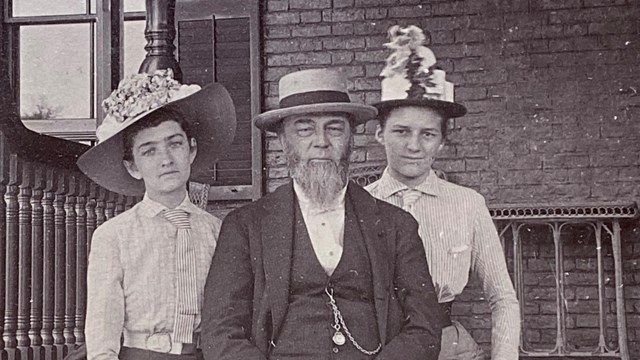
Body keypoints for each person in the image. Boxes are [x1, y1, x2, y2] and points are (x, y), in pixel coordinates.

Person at [200, 68, 448, 360]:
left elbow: (425, 326)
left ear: (351, 138)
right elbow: (220, 331)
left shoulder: (397, 225)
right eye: (305, 129)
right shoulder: (245, 226)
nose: (321, 141)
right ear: (283, 141)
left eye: (334, 128)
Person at [365, 25, 520, 360]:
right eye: (401, 131)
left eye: (428, 135)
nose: (413, 146)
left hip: (448, 348)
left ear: (442, 141)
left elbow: (502, 297)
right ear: (379, 134)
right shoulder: (358, 204)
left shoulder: (467, 204)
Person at [77, 69, 236, 360]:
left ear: (191, 150)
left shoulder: (218, 231)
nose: (166, 160)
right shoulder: (114, 236)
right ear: (132, 167)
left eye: (174, 144)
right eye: (149, 151)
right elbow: (102, 324)